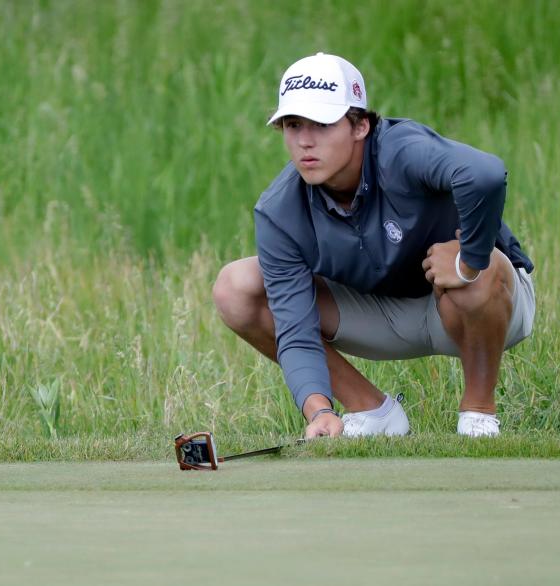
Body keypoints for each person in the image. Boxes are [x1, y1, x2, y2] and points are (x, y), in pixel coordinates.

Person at [212, 53, 535, 439]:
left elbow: (484, 175)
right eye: (293, 125)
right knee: (236, 287)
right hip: (378, 313)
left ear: (360, 125)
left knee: (480, 272)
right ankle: (374, 411)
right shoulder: (279, 211)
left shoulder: (401, 150)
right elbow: (294, 329)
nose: (305, 141)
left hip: (480, 304)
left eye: (322, 124)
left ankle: (478, 413)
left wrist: (469, 260)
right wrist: (318, 409)